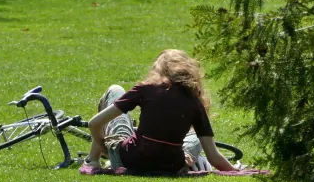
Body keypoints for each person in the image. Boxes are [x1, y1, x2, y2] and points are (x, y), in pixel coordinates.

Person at [82, 49, 240, 174]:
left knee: (115, 90)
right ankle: (187, 158)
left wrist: (102, 145)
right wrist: (235, 171)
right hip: (171, 166)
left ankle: (92, 160)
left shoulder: (146, 89)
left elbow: (94, 123)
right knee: (196, 138)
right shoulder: (194, 102)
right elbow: (213, 157)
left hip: (128, 160)